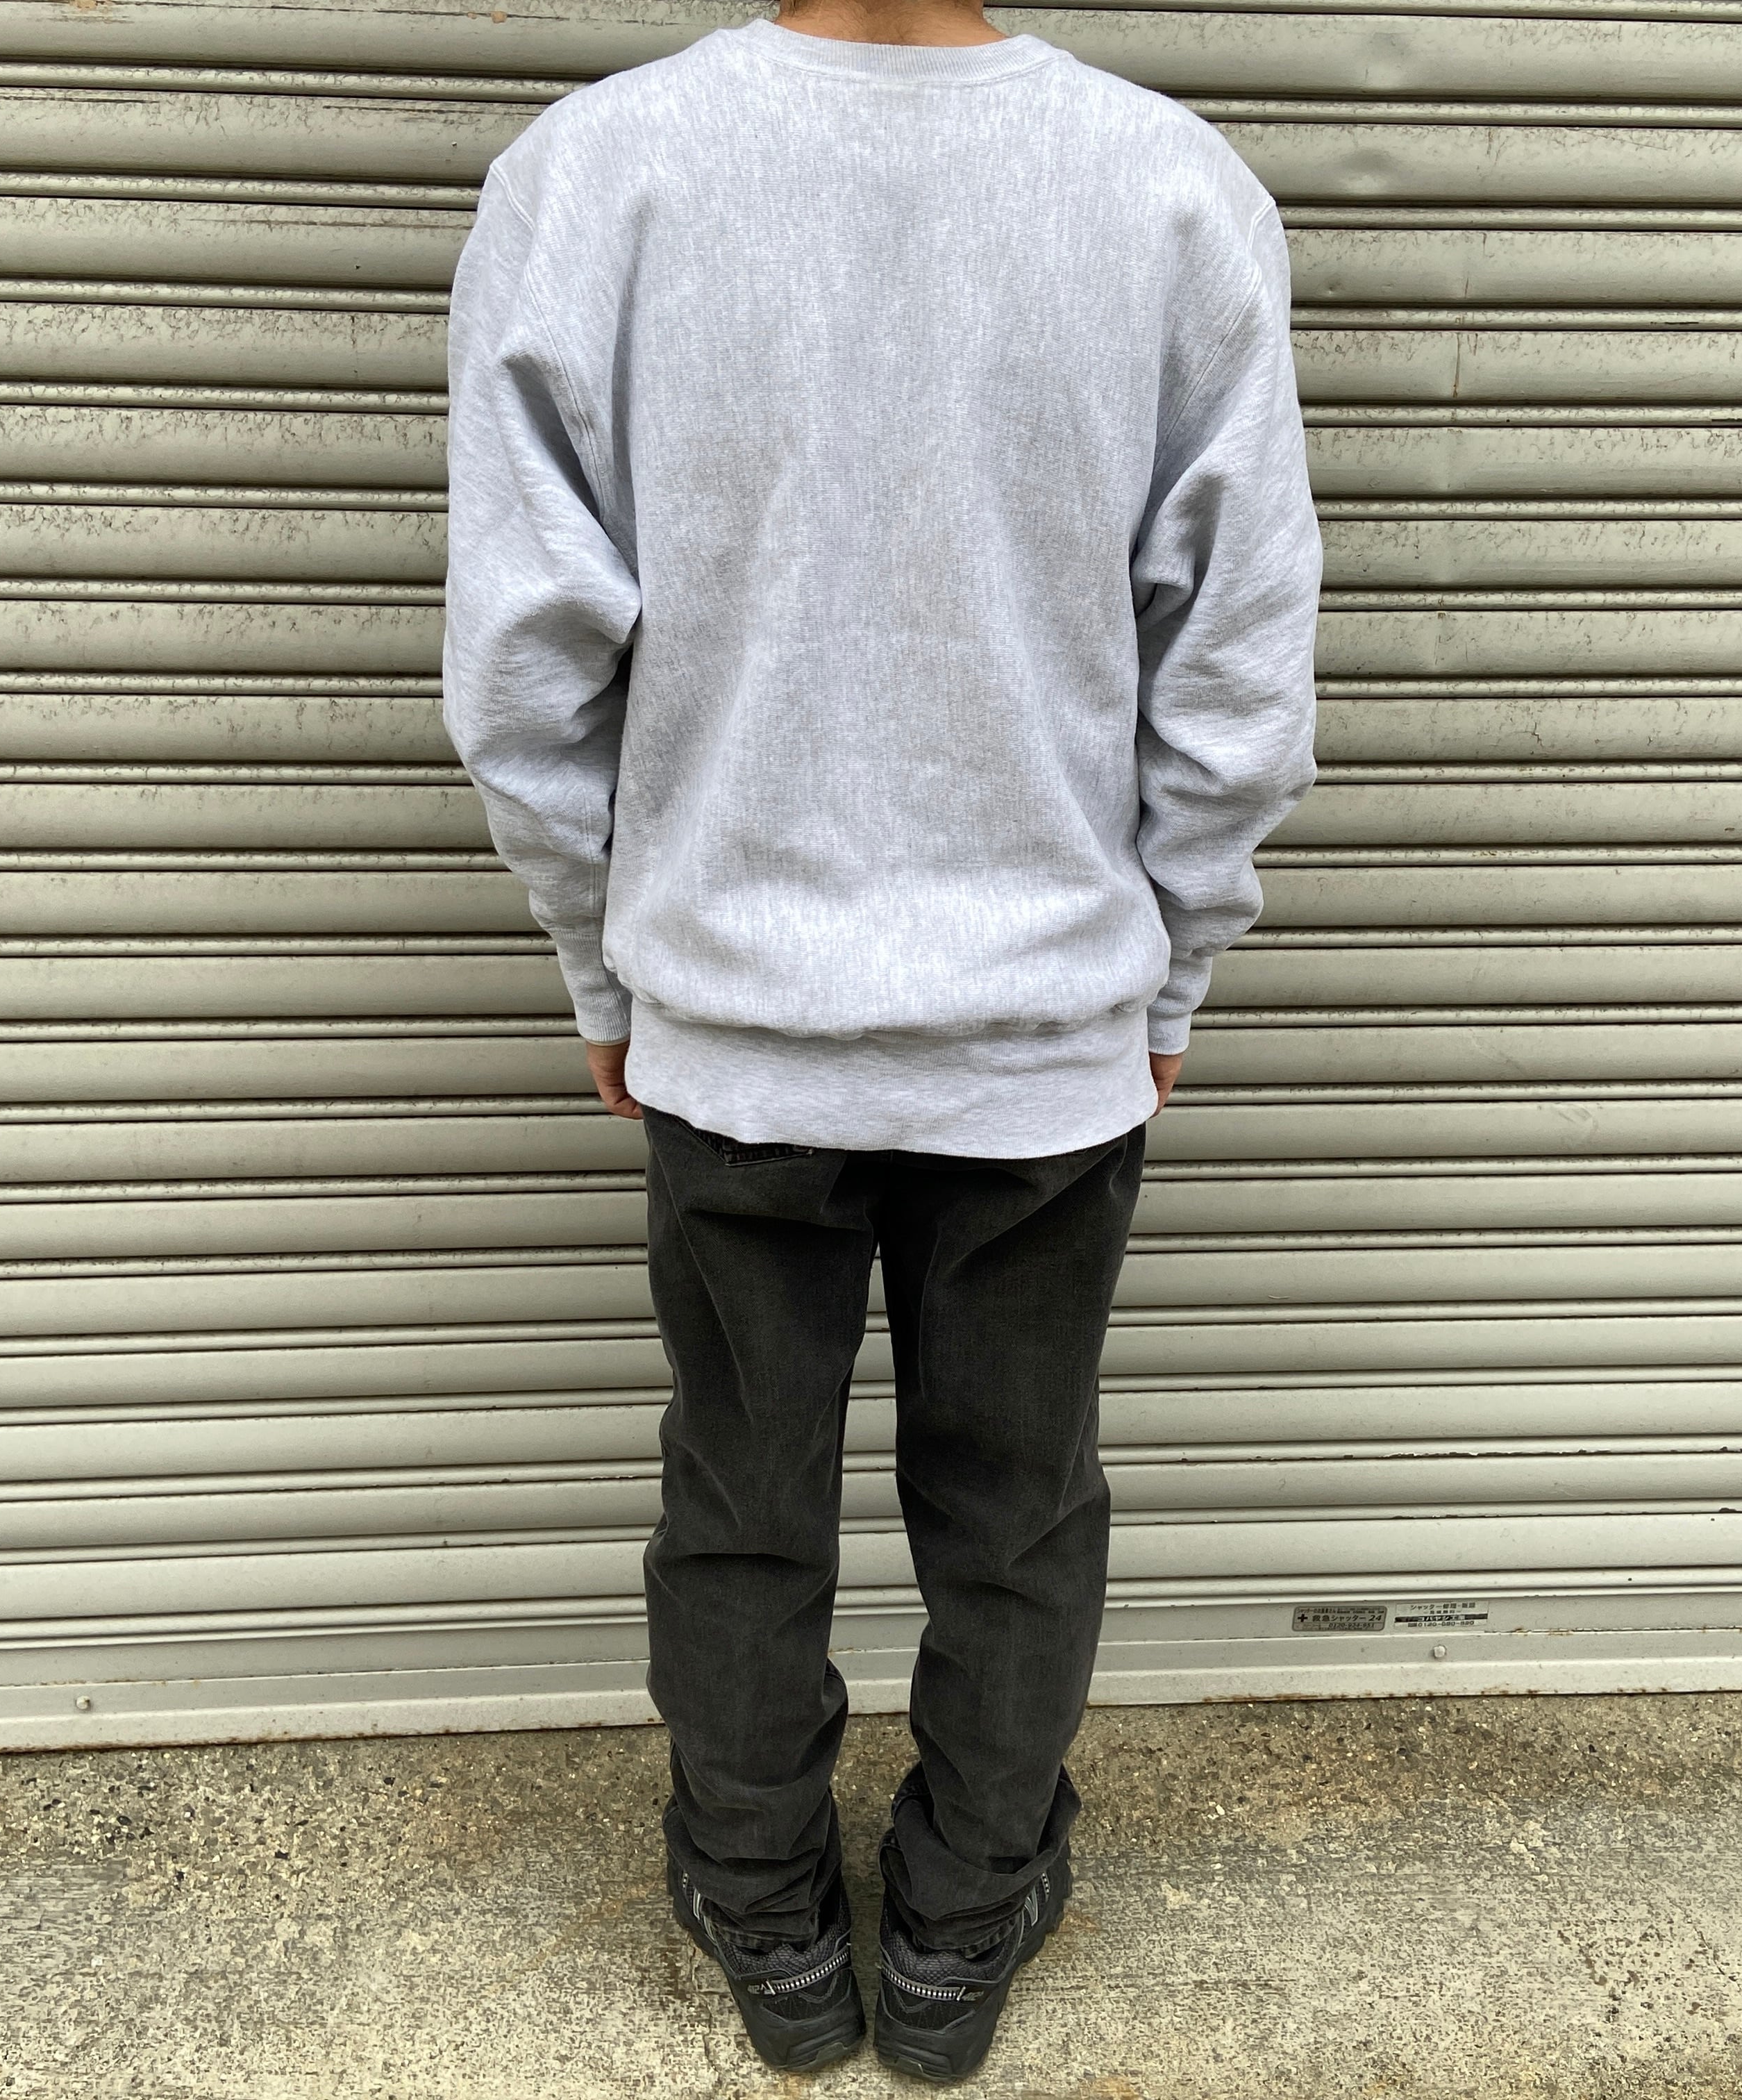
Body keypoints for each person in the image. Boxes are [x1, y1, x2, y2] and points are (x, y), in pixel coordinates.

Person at [442, 0, 1321, 2075]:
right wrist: (1166, 974)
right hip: (1044, 1040)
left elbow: (526, 669)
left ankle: (765, 1916)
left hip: (737, 1027)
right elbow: (1239, 673)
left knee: (741, 1501)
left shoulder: (599, 174)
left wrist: (605, 969)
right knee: (1017, 1507)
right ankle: (956, 1928)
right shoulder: (1172, 191)